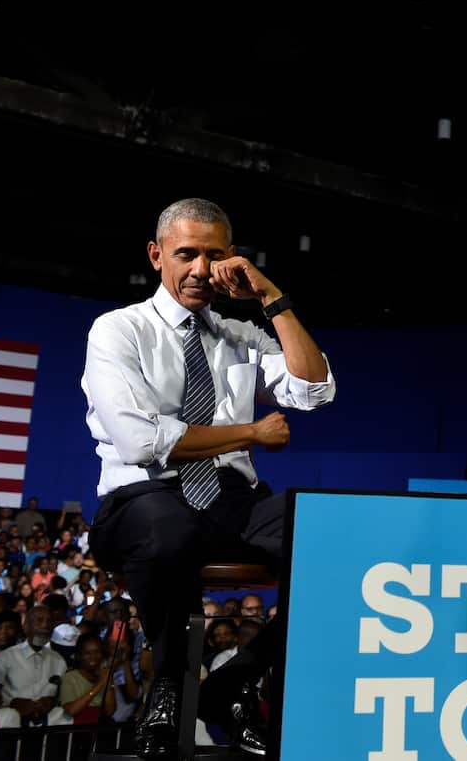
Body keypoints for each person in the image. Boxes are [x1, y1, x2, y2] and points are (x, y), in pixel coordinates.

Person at [83, 198, 336, 759]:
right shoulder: (118, 330)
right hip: (142, 498)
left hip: (231, 500)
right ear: (157, 256)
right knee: (168, 529)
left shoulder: (240, 334)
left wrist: (270, 298)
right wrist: (250, 434)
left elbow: (316, 390)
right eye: (186, 254)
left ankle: (233, 682)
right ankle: (170, 683)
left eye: (214, 255)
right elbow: (142, 441)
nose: (200, 269)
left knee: (333, 534)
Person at [59, 633, 117, 725]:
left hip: (99, 730)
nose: (93, 657)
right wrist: (99, 684)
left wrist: (108, 682)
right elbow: (71, 710)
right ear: (79, 655)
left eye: (97, 652)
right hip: (76, 731)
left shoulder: (105, 675)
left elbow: (110, 711)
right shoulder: (70, 677)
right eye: (87, 653)